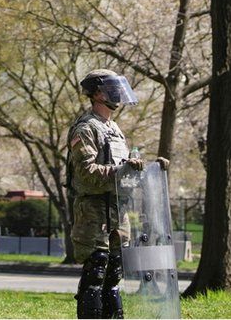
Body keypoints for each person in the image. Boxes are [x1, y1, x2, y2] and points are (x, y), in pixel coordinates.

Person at [67, 69, 168, 319]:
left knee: (114, 274)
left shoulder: (114, 128)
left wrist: (150, 167)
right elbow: (86, 173)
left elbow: (125, 168)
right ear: (97, 93)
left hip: (118, 211)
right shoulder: (86, 128)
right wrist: (122, 170)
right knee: (96, 271)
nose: (118, 94)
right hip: (93, 211)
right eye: (111, 88)